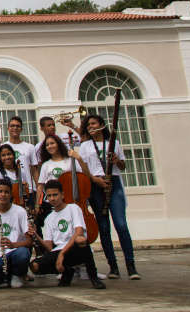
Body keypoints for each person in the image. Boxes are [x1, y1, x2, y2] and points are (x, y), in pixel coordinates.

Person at [79, 113, 140, 279]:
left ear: (101, 125)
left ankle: (131, 265)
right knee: (104, 228)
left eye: (93, 124)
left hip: (113, 182)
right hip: (96, 183)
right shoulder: (85, 146)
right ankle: (113, 266)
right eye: (88, 125)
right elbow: (84, 168)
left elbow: (123, 165)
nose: (91, 127)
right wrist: (95, 180)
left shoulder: (114, 143)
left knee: (121, 224)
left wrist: (115, 161)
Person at [29, 180, 105, 289]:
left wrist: (62, 254)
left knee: (81, 240)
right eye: (49, 196)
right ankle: (68, 271)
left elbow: (79, 231)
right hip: (59, 251)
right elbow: (49, 247)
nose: (52, 198)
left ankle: (93, 277)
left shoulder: (73, 208)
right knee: (34, 266)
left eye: (55, 195)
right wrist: (35, 234)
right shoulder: (49, 218)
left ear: (62, 195)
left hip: (74, 248)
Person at [0, 179, 31, 289]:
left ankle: (17, 275)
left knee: (23, 253)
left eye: (6, 192)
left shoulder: (20, 211)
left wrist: (14, 245)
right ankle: (4, 277)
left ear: (11, 194)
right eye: (0, 192)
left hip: (15, 252)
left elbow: (29, 241)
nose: (3, 195)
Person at [5, 116, 39, 186]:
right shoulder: (2, 146)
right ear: (8, 128)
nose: (15, 128)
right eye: (12, 126)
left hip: (27, 188)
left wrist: (39, 187)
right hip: (8, 189)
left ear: (21, 129)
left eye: (18, 126)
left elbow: (34, 170)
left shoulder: (30, 147)